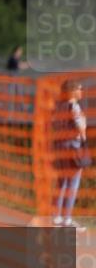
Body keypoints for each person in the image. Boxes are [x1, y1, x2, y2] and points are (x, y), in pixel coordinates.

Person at [54, 79, 90, 229]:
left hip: (61, 144)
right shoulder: (73, 106)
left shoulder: (59, 106)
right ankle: (67, 219)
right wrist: (83, 136)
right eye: (79, 88)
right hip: (73, 145)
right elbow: (79, 125)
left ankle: (56, 217)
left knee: (61, 182)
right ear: (72, 90)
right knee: (72, 184)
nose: (81, 91)